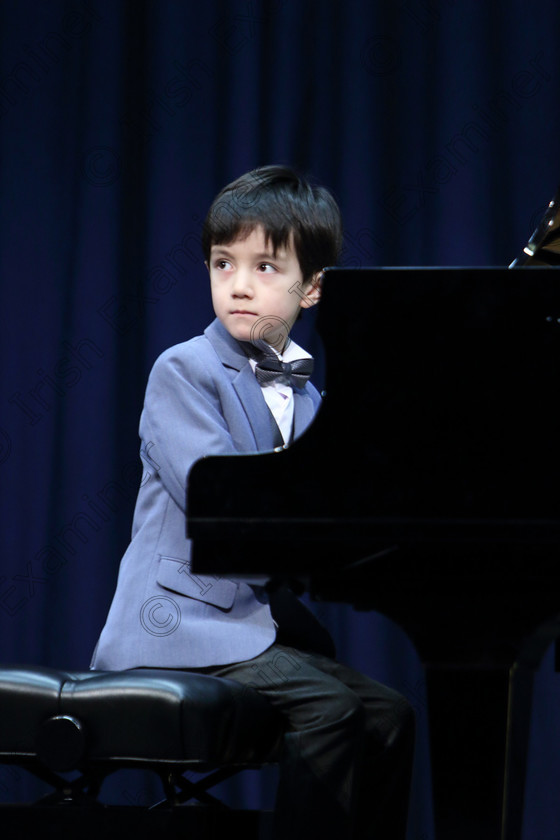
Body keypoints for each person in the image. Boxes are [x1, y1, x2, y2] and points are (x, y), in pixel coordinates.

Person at [91, 165, 415, 838]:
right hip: (179, 620)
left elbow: (330, 512)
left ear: (314, 286)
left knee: (390, 716)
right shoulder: (185, 370)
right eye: (222, 262)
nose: (238, 283)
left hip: (245, 626)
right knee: (330, 708)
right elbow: (221, 497)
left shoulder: (312, 397)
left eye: (266, 266)